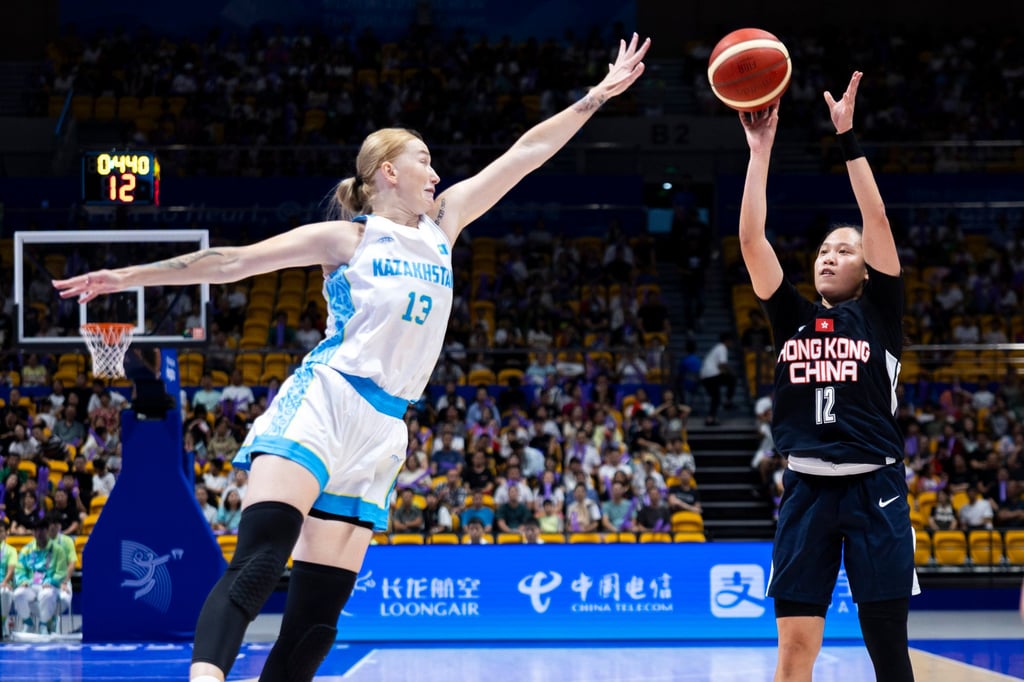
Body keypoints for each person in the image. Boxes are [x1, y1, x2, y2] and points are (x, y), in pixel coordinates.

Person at [54, 32, 648, 682]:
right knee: (259, 563)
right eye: (424, 160)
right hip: (327, 402)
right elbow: (230, 264)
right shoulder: (350, 236)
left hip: (382, 431)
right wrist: (126, 277)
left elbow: (526, 154)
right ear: (388, 171)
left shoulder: (444, 225)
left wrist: (596, 95)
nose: (437, 172)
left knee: (317, 621)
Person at [737, 72, 916, 682]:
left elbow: (879, 219)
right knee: (794, 652)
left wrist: (848, 138)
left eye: (844, 249)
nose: (829, 256)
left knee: (887, 651)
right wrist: (760, 152)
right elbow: (751, 239)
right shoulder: (790, 316)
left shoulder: (880, 314)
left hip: (877, 490)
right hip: (807, 491)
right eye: (822, 251)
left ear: (868, 267)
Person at [698, 331, 736, 426]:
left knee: (716, 397)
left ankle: (710, 419)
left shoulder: (717, 348)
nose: (732, 343)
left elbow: (720, 367)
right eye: (731, 341)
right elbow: (722, 364)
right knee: (733, 378)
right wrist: (731, 371)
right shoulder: (722, 348)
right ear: (727, 341)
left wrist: (725, 372)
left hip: (705, 377)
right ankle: (727, 402)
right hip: (711, 375)